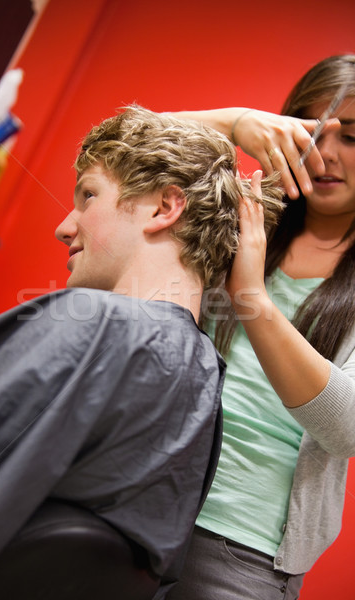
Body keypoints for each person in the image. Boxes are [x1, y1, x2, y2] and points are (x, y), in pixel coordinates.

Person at [0, 105, 283, 599]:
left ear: (163, 208)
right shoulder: (202, 383)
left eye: (89, 195)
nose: (65, 227)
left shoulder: (98, 326)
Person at [166, 54, 355, 600]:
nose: (323, 155)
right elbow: (117, 152)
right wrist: (232, 123)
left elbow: (346, 427)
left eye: (353, 137)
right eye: (311, 129)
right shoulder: (237, 213)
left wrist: (252, 299)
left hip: (242, 548)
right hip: (141, 496)